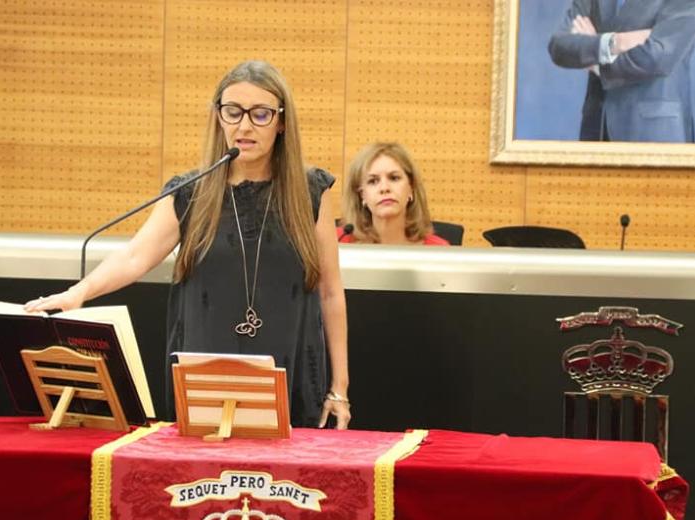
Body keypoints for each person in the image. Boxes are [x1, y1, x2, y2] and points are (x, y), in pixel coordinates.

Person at [25, 60, 351, 429]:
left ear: (282, 122)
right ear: (218, 117)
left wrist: (339, 388)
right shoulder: (192, 192)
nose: (244, 126)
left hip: (292, 370)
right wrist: (79, 292)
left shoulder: (310, 192)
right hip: (205, 374)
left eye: (260, 114)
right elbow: (134, 256)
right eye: (233, 112)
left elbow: (329, 292)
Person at [548, 0, 695, 143]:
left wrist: (596, 61)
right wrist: (613, 42)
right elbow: (559, 46)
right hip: (596, 130)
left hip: (654, 135)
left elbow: (657, 57)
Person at [338, 142, 450, 245]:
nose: (384, 188)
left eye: (394, 178)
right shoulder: (338, 243)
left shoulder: (438, 250)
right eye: (373, 181)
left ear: (411, 188)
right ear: (362, 195)